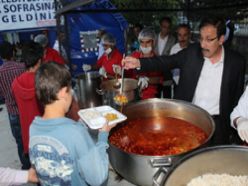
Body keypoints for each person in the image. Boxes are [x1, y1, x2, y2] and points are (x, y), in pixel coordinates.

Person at [123, 17, 246, 145]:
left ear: (221, 39)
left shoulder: (236, 62)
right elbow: (167, 61)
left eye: (209, 39)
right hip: (189, 120)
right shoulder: (192, 52)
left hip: (219, 126)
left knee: (215, 163)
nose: (203, 45)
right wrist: (139, 62)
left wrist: (236, 128)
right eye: (201, 38)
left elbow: (237, 98)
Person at [29, 62, 116, 185]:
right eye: (71, 90)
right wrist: (103, 136)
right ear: (64, 92)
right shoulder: (75, 133)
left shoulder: (33, 128)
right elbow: (98, 177)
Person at [12, 42, 44, 169]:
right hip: (45, 133)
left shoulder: (15, 83)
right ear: (40, 60)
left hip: (28, 135)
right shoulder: (43, 82)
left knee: (37, 171)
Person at [0, 41, 27, 169]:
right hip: (27, 109)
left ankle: (26, 166)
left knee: (19, 141)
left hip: (12, 112)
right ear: (13, 53)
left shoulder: (0, 72)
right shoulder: (22, 67)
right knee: (31, 137)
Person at [127, 27, 163, 99]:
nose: (145, 46)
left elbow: (159, 79)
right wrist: (120, 68)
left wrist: (147, 79)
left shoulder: (157, 60)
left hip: (150, 95)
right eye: (142, 42)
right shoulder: (135, 56)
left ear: (153, 42)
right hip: (133, 93)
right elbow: (127, 70)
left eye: (148, 42)